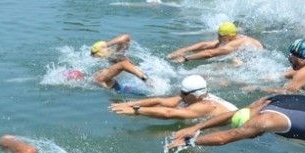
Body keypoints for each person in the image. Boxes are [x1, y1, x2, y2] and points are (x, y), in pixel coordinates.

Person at [165, 94, 305, 153]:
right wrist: (197, 127)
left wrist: (187, 141)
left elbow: (225, 137)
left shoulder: (263, 121)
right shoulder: (266, 102)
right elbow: (234, 115)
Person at [109, 74, 237, 119]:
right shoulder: (197, 96)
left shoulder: (206, 106)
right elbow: (161, 101)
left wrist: (136, 111)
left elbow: (168, 113)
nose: (181, 95)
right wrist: (129, 104)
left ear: (196, 95)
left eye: (185, 93)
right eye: (181, 91)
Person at [167, 22, 263, 63]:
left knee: (235, 62)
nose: (218, 37)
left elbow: (210, 53)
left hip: (257, 61)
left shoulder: (235, 44)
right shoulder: (234, 38)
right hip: (254, 57)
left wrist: (185, 58)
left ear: (228, 36)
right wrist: (185, 50)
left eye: (220, 35)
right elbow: (205, 45)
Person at [88, 34, 152, 94]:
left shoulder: (112, 59)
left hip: (143, 78)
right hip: (142, 85)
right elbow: (123, 64)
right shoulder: (99, 76)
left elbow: (126, 37)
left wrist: (107, 45)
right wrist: (146, 79)